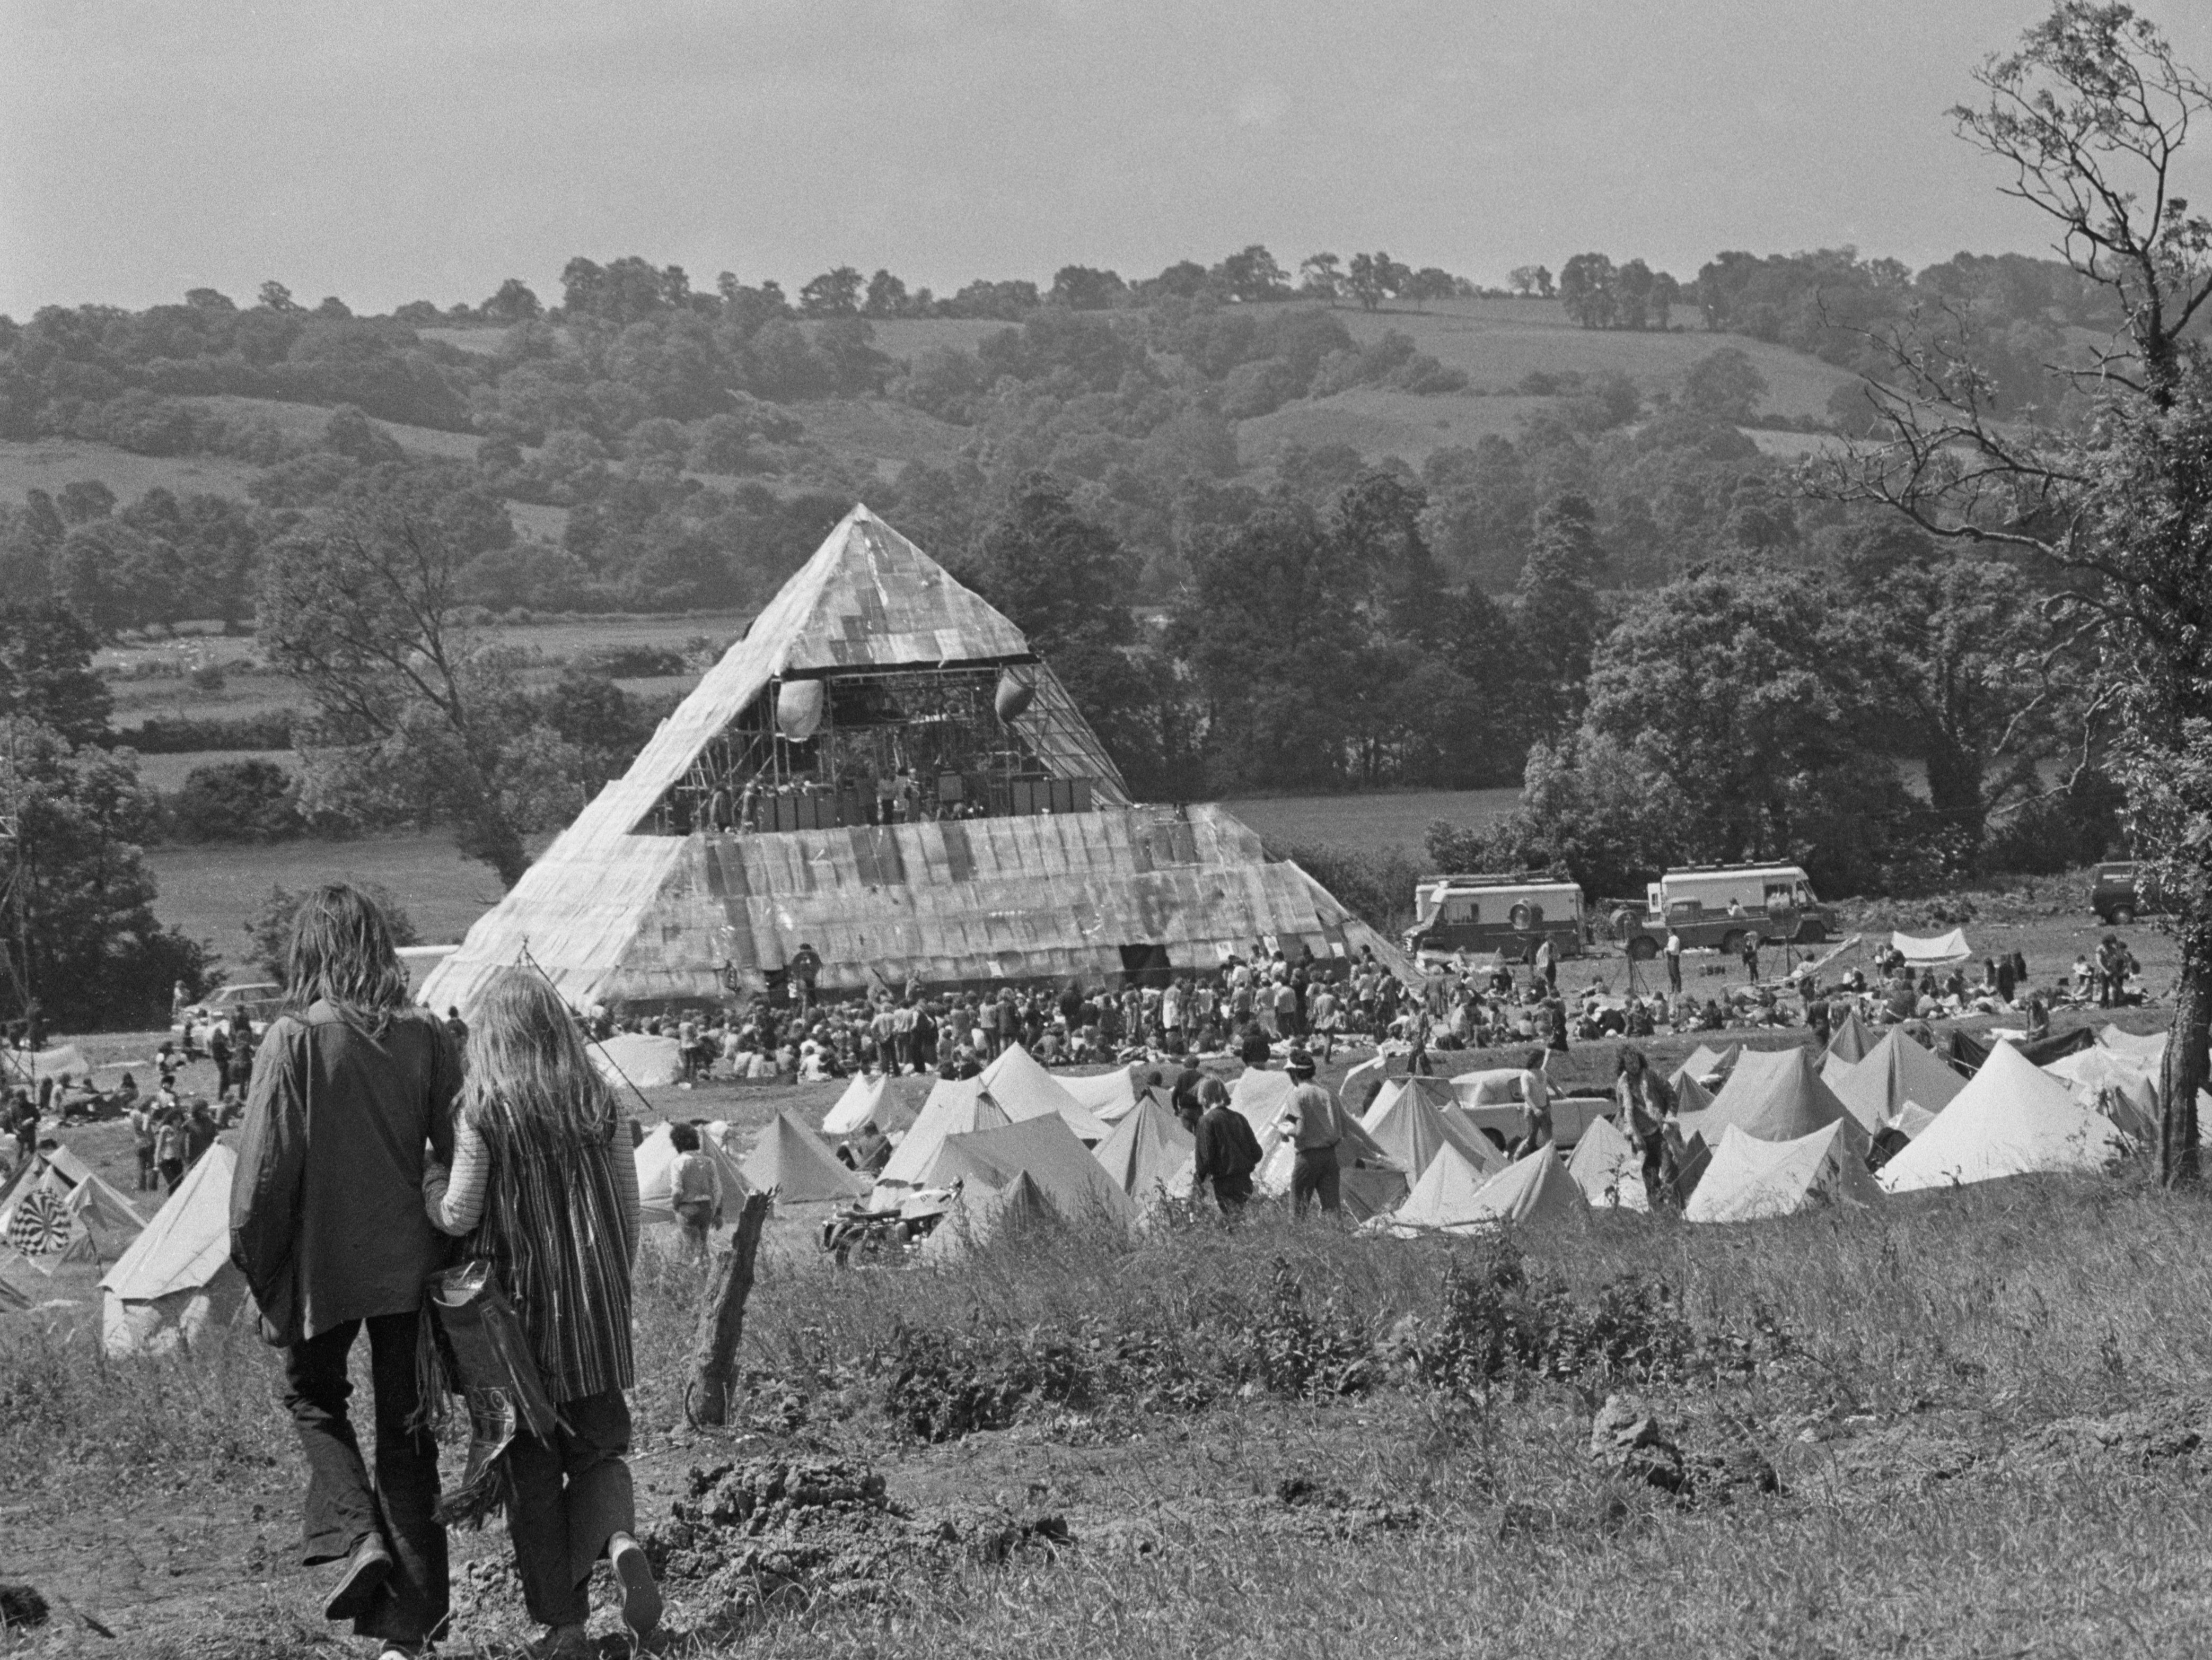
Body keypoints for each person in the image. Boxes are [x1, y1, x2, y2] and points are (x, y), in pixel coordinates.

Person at [229, 884, 460, 1656]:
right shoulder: (428, 1035)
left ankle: (359, 1537)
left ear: (310, 951)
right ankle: (410, 1636)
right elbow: (463, 1159)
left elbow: (261, 1177)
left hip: (322, 1267)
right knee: (408, 1436)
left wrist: (262, 1271)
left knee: (311, 1394)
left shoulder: (293, 1038)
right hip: (411, 1268)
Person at [423, 967, 660, 1652]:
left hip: (514, 1329)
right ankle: (617, 1541)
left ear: (490, 1036)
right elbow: (628, 1212)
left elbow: (460, 1212)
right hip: (594, 1314)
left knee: (530, 1475)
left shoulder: (484, 1109)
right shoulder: (599, 1100)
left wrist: (429, 1179)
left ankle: (564, 1625)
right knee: (599, 1451)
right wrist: (609, 1286)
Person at [1280, 1050, 1342, 1219]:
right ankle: (1338, 1242)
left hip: (1307, 1158)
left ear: (1294, 1073)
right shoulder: (1327, 1094)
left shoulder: (1296, 1095)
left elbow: (1300, 1131)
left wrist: (1284, 1130)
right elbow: (1338, 1131)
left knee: (1298, 1211)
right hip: (1330, 1156)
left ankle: (1296, 1243)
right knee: (1332, 1211)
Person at [1191, 1077, 1262, 1215]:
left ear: (1205, 1098)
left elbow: (1205, 1159)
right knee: (1246, 1221)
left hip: (1224, 1183)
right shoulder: (1239, 1118)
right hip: (1245, 1180)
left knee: (1233, 1223)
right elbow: (1257, 1153)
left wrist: (1198, 1181)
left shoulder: (1206, 1121)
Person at [666, 1121, 721, 1261]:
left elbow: (677, 1191)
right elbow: (717, 1190)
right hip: (706, 1208)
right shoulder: (709, 1162)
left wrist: (676, 1207)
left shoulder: (678, 1163)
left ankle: (695, 1276)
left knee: (691, 1248)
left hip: (687, 1208)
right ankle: (707, 1274)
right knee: (703, 1246)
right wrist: (716, 1211)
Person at [1513, 1049, 1553, 1158]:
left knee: (1549, 1139)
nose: (1542, 1062)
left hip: (1544, 1110)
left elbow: (1545, 1092)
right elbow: (1526, 1094)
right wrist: (1535, 1109)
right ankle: (1517, 1156)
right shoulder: (1526, 1075)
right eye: (1540, 1059)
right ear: (1535, 1060)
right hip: (1532, 1112)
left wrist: (1548, 1105)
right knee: (1531, 1138)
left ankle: (1551, 1160)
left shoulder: (1543, 1074)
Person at [1664, 929, 1683, 995]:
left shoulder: (1675, 939)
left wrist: (1667, 950)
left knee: (1676, 974)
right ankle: (1673, 989)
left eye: (1669, 932)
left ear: (1672, 932)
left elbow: (1673, 949)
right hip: (1669, 957)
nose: (1667, 933)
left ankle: (1678, 990)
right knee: (1671, 973)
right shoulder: (1670, 939)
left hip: (1674, 957)